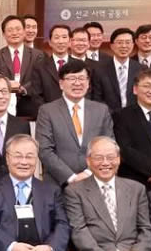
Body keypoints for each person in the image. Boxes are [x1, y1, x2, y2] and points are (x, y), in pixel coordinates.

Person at [36, 59, 114, 187]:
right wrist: (71, 177)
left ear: (88, 83)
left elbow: (109, 146)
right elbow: (44, 150)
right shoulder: (47, 111)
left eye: (82, 78)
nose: (77, 83)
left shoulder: (101, 110)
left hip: (95, 181)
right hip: (58, 183)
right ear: (61, 84)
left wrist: (88, 173)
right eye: (72, 78)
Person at [0, 15, 45, 119]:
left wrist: (23, 89)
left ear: (24, 31)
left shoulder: (38, 55)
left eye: (18, 29)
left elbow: (39, 79)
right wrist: (7, 85)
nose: (14, 33)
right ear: (4, 34)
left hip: (31, 106)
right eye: (10, 30)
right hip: (4, 105)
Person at [93, 27, 142, 114]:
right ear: (112, 46)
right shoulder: (99, 70)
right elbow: (97, 98)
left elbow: (143, 95)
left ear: (133, 45)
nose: (124, 46)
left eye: (128, 42)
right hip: (109, 116)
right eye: (120, 42)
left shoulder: (141, 69)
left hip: (135, 116)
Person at [29, 24, 73, 105]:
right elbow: (36, 96)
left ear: (70, 42)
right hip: (48, 111)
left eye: (64, 37)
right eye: (56, 37)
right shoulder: (39, 67)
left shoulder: (79, 66)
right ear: (50, 42)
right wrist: (49, 111)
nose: (60, 41)